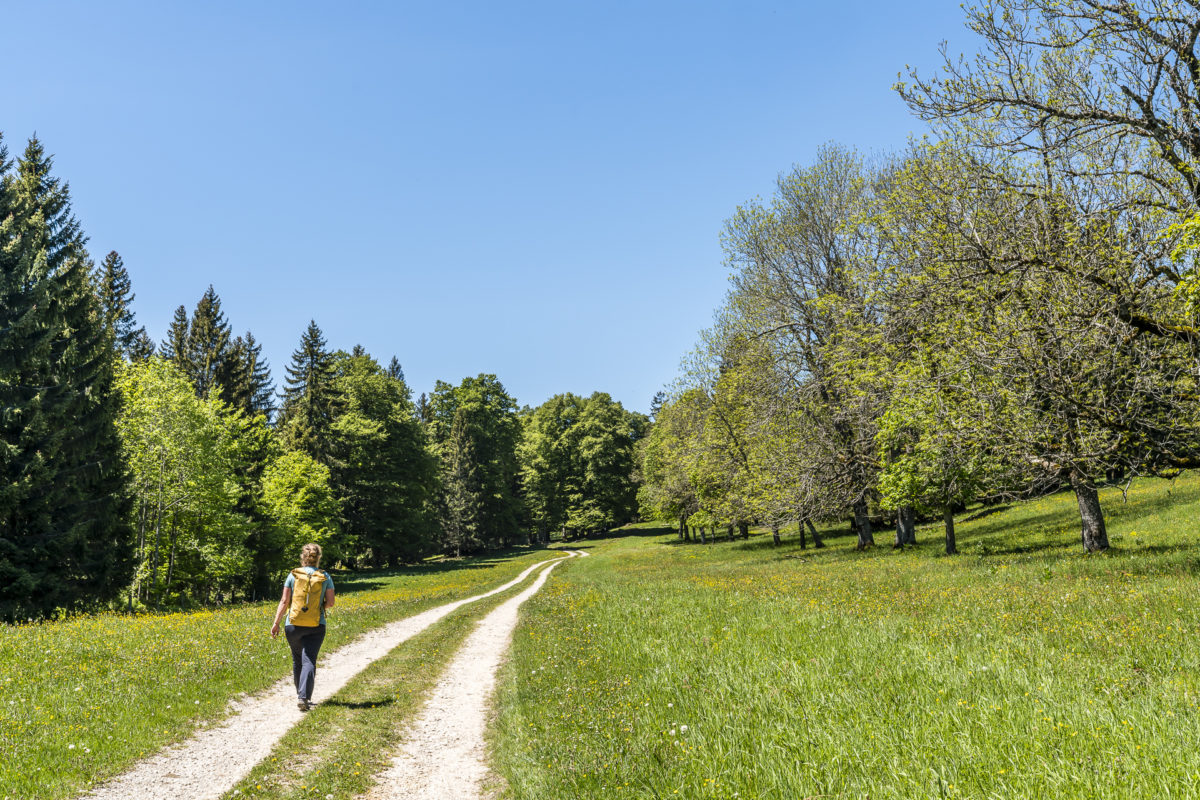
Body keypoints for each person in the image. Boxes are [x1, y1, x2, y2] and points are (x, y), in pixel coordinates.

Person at [271, 542, 335, 711]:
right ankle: (303, 696)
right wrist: (319, 608)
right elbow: (331, 603)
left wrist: (276, 623)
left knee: (297, 659)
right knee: (309, 660)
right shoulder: (325, 576)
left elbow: (284, 601)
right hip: (316, 624)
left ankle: (301, 694)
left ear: (303, 557)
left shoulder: (293, 575)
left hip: (292, 624)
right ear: (318, 558)